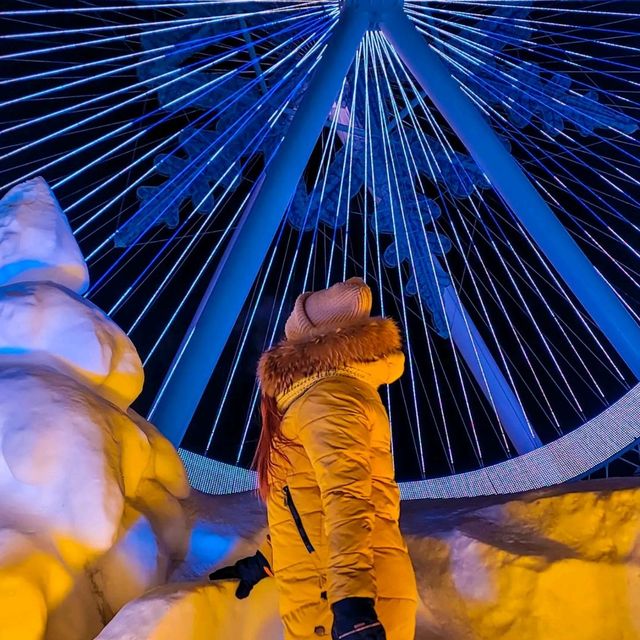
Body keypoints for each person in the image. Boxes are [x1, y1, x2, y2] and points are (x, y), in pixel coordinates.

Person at [210, 278, 418, 639]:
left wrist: (352, 605)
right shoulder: (328, 396)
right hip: (334, 599)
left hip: (343, 607)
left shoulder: (328, 398)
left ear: (305, 342)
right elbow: (307, 505)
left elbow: (346, 499)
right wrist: (265, 561)